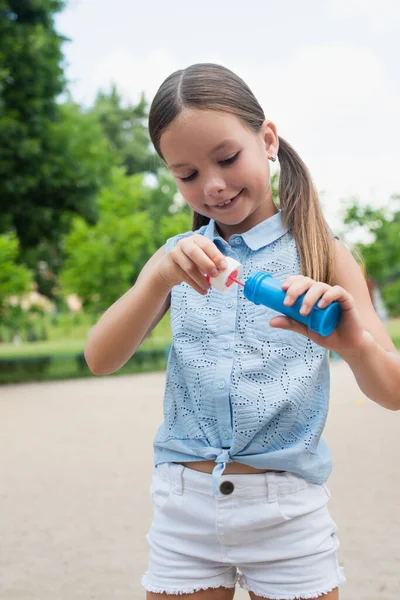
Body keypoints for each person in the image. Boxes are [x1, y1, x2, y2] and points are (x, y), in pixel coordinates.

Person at [84, 63, 399, 600]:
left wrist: (356, 345)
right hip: (184, 509)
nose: (212, 184)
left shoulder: (326, 253)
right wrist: (157, 278)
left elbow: (391, 390)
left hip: (287, 513)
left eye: (227, 158)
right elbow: (99, 357)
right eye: (185, 175)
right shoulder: (176, 261)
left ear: (267, 140)